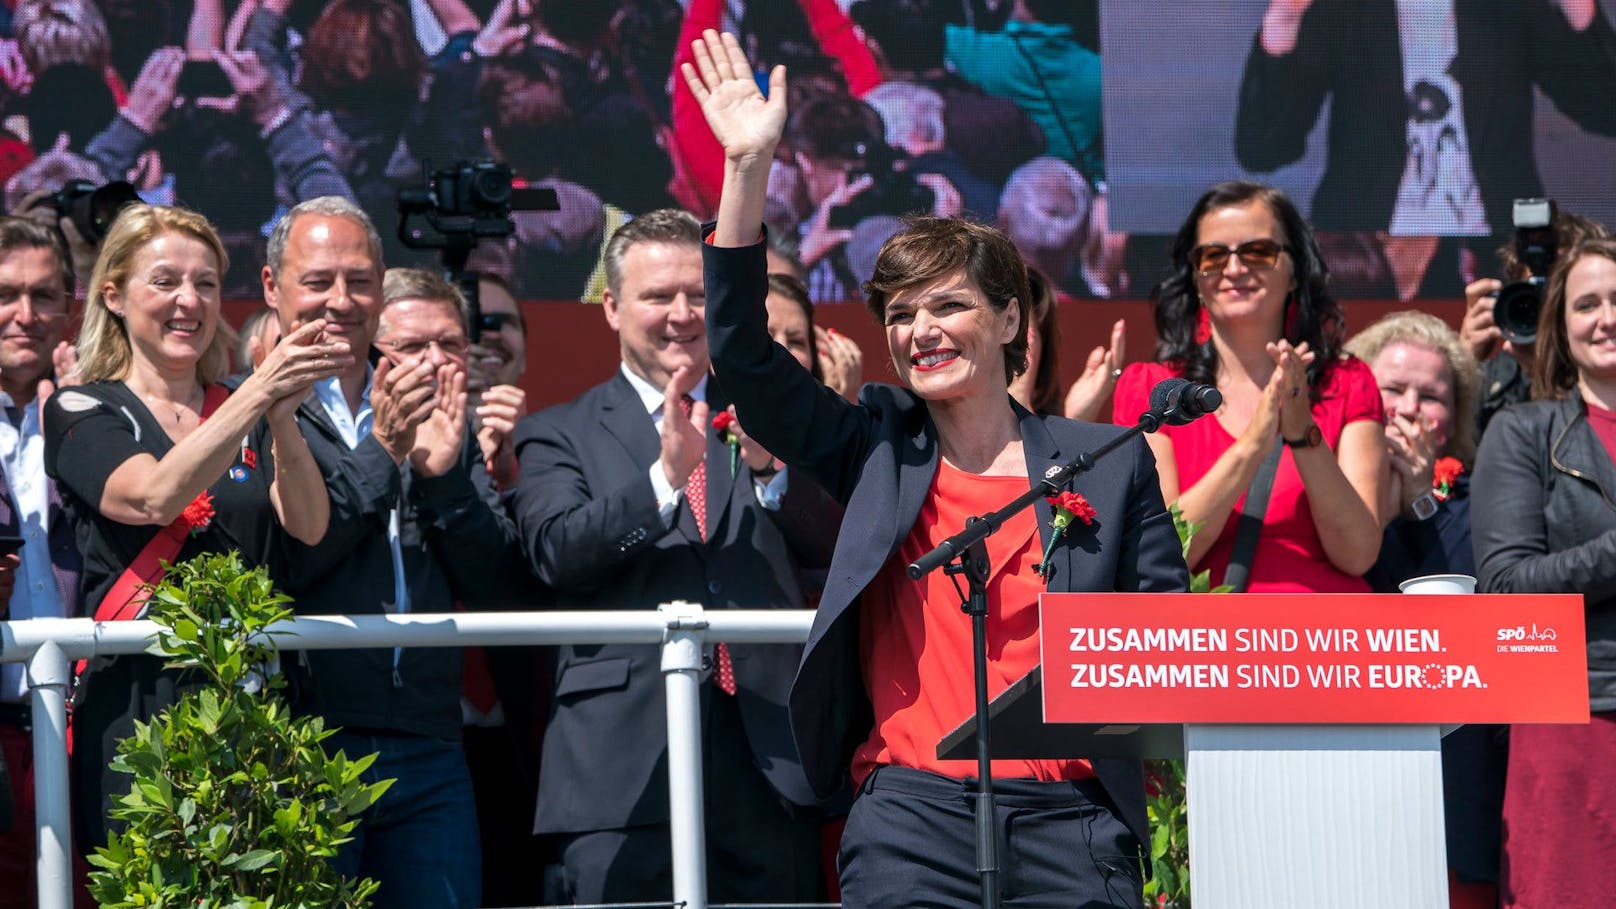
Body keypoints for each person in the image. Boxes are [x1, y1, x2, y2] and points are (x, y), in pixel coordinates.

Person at [688, 30, 1187, 906]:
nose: (921, 329)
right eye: (902, 312)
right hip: (910, 819)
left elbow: (1163, 641)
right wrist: (746, 169)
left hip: (1071, 819)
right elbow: (741, 355)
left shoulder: (1106, 464)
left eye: (949, 305)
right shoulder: (877, 445)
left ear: (1007, 319)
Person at [510, 208, 830, 905]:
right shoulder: (556, 431)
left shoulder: (775, 419)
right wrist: (662, 482)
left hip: (767, 758)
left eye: (697, 294)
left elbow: (838, 547)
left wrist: (774, 472)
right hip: (621, 771)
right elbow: (556, 550)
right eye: (659, 296)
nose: (681, 314)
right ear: (612, 306)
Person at [40, 203, 348, 855]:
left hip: (252, 699)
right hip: (137, 702)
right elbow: (151, 496)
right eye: (166, 281)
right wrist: (259, 391)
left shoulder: (245, 402)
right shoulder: (82, 406)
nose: (190, 301)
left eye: (206, 283)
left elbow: (310, 525)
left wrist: (284, 419)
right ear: (114, 294)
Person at [260, 199, 528, 909]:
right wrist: (383, 448)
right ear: (273, 289)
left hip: (432, 743)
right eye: (318, 281)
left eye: (359, 280)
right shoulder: (261, 404)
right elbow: (294, 559)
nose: (341, 301)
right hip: (310, 741)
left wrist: (444, 483)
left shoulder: (437, 408)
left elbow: (496, 581)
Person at [1113, 181, 1385, 592]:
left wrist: (1301, 434)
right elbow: (1161, 556)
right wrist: (1252, 445)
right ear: (1196, 278)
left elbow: (1358, 552)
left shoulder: (1348, 381)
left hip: (1330, 643)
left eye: (1258, 252)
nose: (1235, 269)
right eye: (1213, 255)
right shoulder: (1155, 389)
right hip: (1206, 647)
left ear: (1295, 271)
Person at [1472, 237, 1616, 907]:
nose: (1607, 317)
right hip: (1578, 724)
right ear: (1560, 324)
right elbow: (1505, 589)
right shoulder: (1524, 432)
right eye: (1588, 304)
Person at [1344, 311, 1500, 909]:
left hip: (1450, 784)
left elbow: (1464, 618)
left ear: (1455, 419)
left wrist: (1420, 507)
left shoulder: (1478, 497)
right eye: (1391, 389)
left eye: (1431, 396)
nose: (1409, 408)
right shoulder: (1320, 485)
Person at [1236, 0, 1616, 236]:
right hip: (1365, 251)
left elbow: (1605, 111)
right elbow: (1264, 150)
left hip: (1504, 246)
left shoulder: (1509, 9)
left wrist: (1578, 5)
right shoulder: (1345, 11)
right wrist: (1284, 17)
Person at [0, 217, 82, 909]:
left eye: (44, 295)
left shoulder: (102, 411)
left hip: (90, 723)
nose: (25, 316)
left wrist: (82, 423)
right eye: (6, 294)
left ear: (71, 306)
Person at [1458, 210, 1610, 438]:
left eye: (1561, 293)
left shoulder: (1608, 367)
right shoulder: (1491, 381)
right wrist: (1462, 370)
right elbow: (1450, 454)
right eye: (1538, 294)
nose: (1549, 308)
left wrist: (1550, 378)